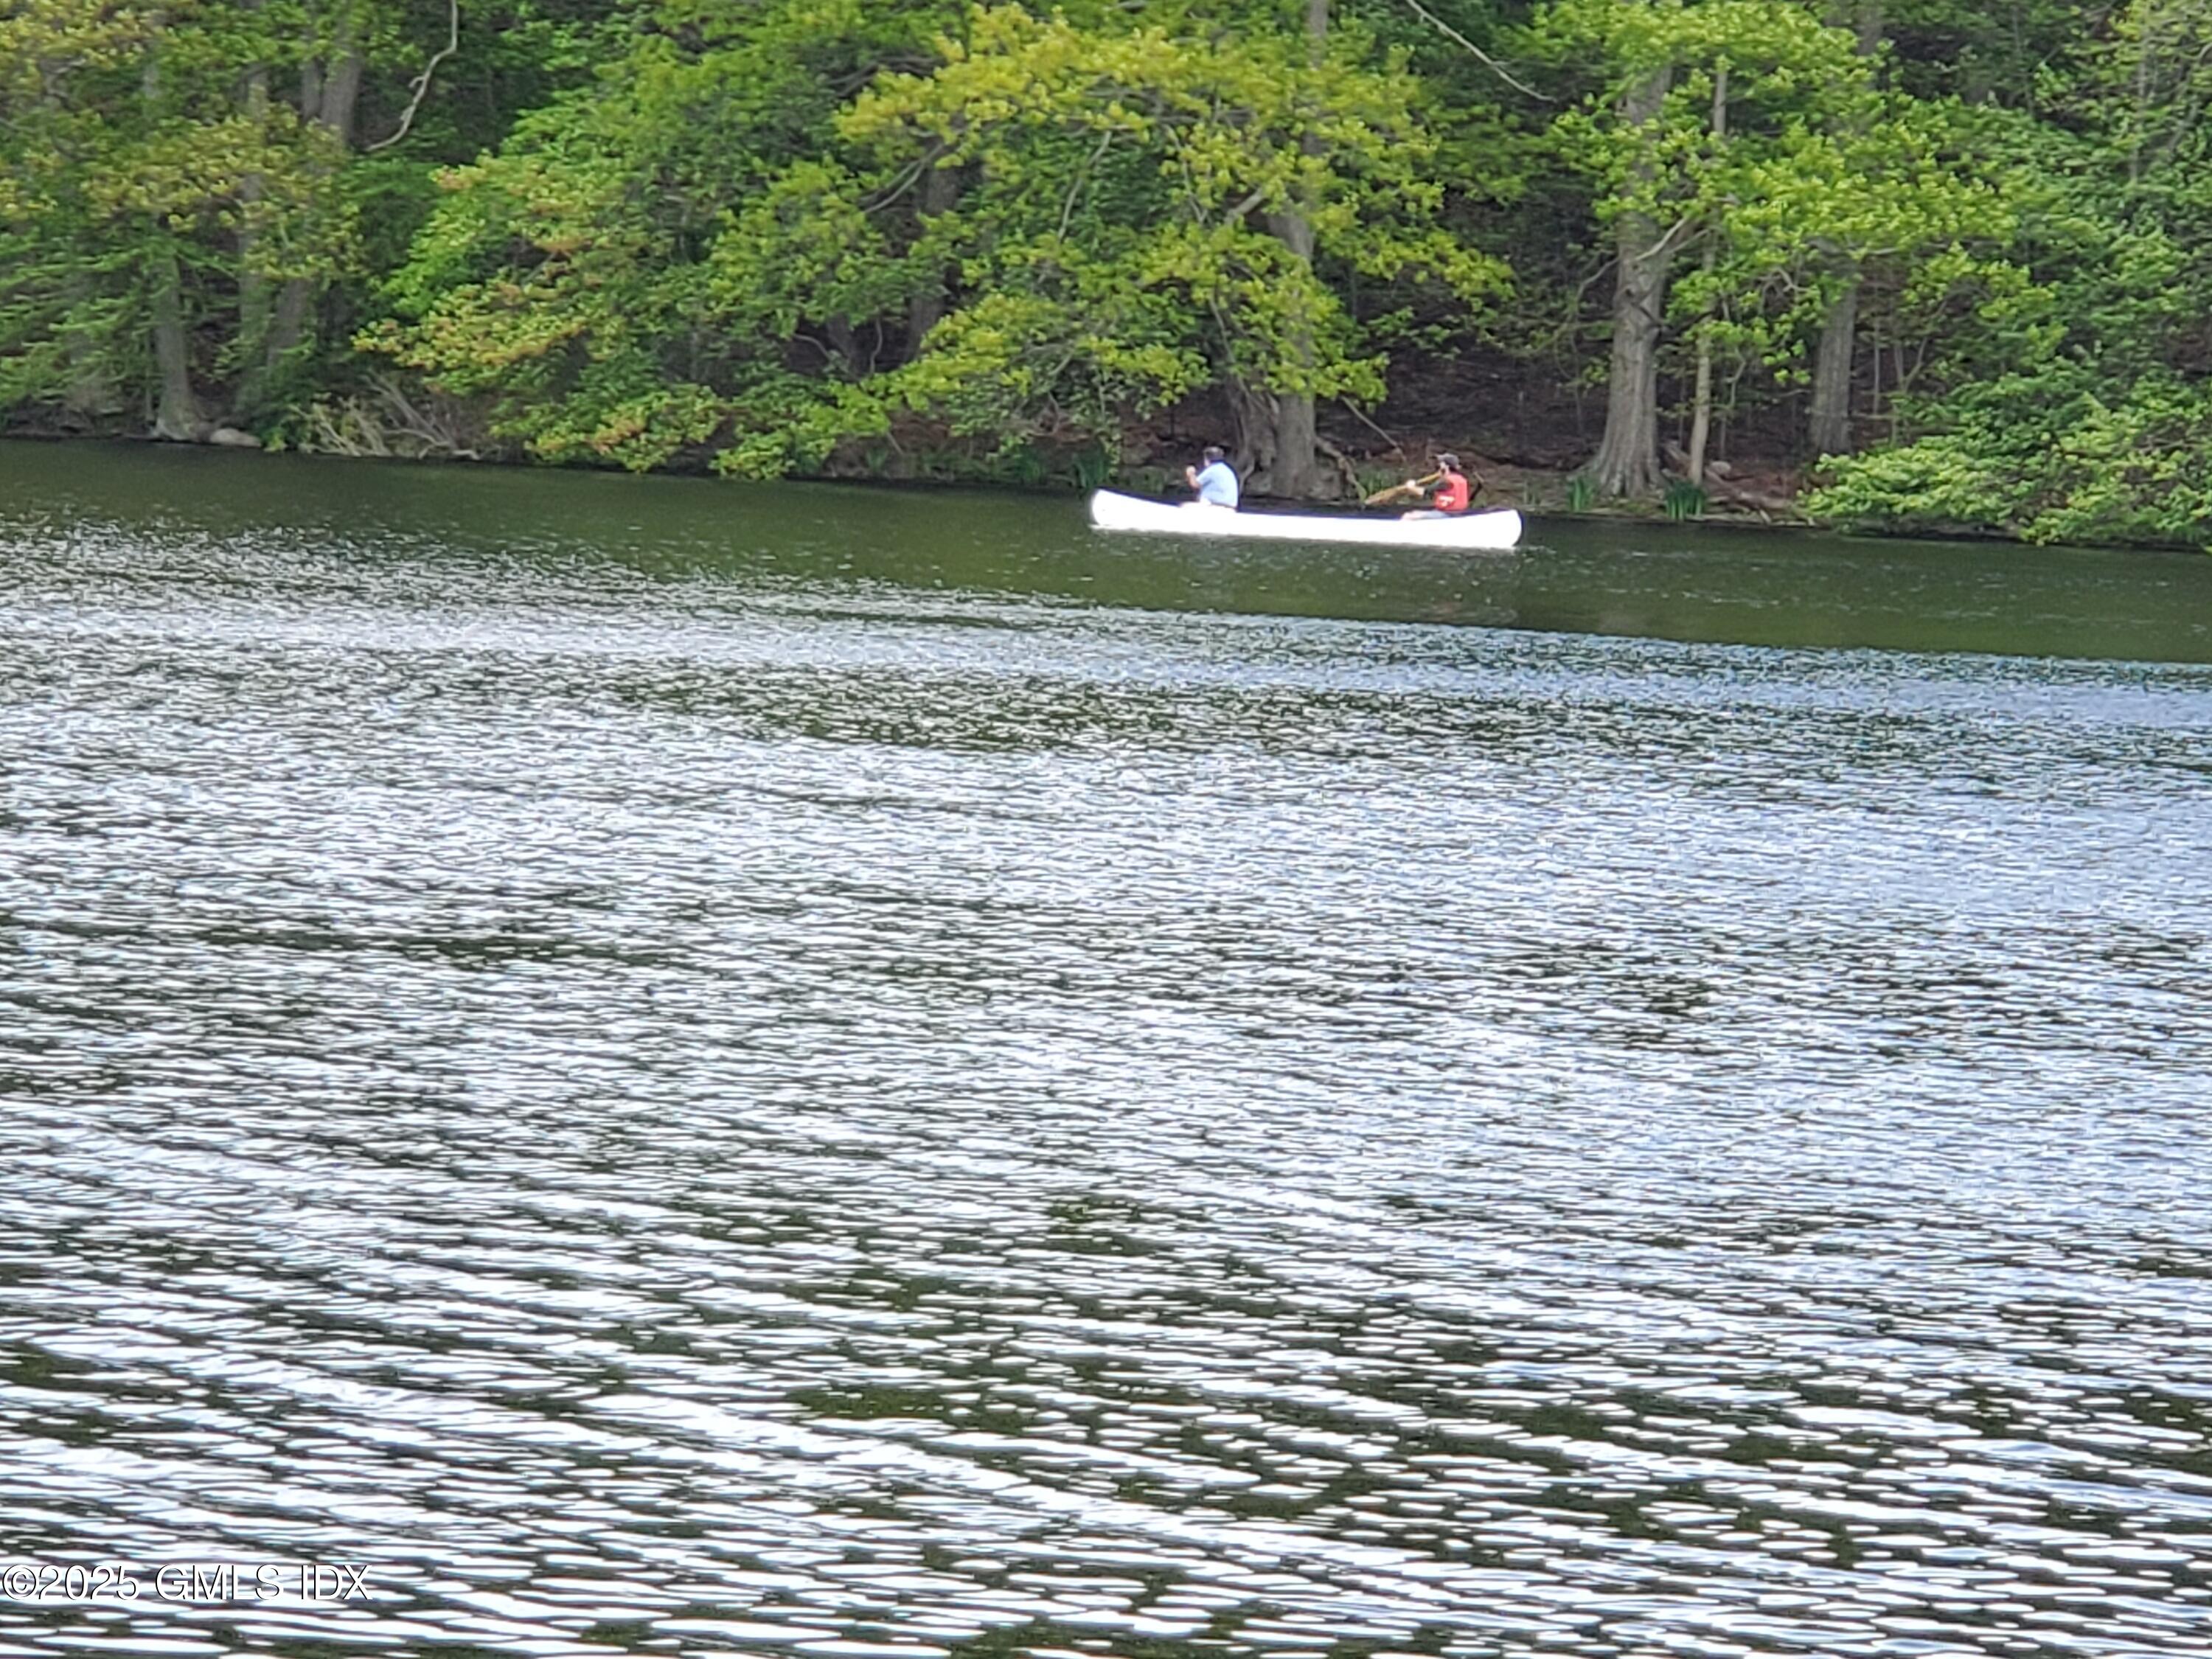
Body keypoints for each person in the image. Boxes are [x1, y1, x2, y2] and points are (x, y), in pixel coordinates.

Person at [1399, 453, 1475, 519]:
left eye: (1441, 463)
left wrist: (1410, 487)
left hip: (1447, 514)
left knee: (1408, 516)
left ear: (1446, 466)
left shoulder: (1446, 481)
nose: (1439, 464)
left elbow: (1423, 492)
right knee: (1418, 513)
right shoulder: (1462, 479)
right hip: (1460, 513)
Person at [1185, 445, 1240, 509]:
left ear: (1207, 459)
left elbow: (1195, 484)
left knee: (1186, 507)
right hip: (1231, 505)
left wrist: (1191, 473)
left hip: (1217, 504)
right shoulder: (1226, 469)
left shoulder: (1212, 470)